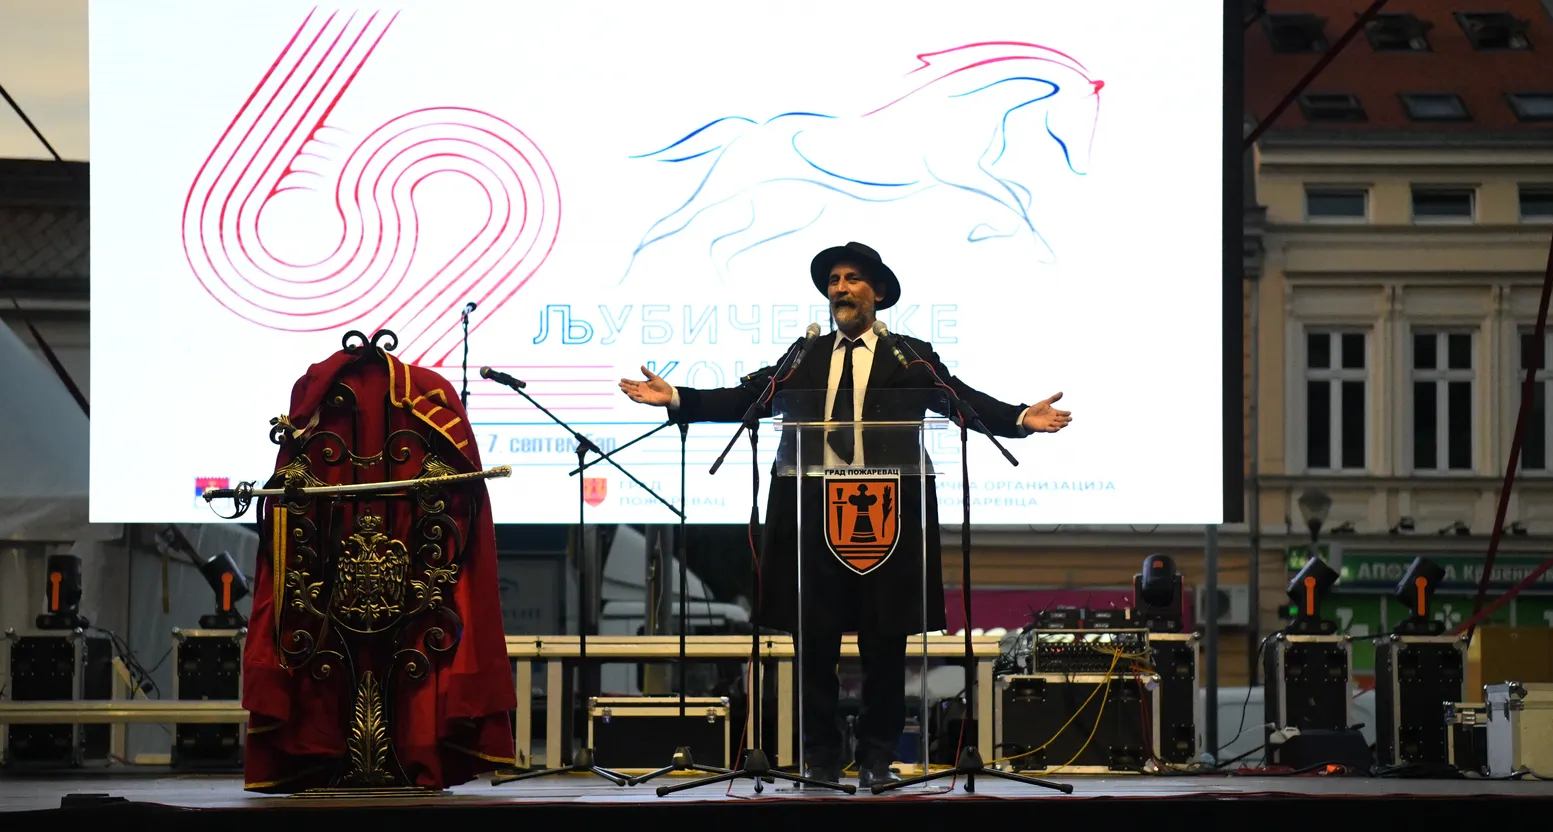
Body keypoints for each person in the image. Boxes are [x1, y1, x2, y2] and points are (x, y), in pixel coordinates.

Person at [620, 241, 1070, 786]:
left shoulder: (909, 356)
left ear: (877, 293)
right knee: (814, 643)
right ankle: (822, 757)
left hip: (888, 513)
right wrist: (679, 398)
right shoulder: (804, 355)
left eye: (852, 278)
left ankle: (877, 756)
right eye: (834, 280)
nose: (840, 288)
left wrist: (1019, 418)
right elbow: (746, 397)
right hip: (811, 512)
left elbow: (959, 400)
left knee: (886, 641)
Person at [240, 341, 516, 791]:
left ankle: (354, 753)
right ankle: (392, 752)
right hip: (344, 574)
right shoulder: (425, 400)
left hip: (407, 573)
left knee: (410, 638)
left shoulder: (331, 408)